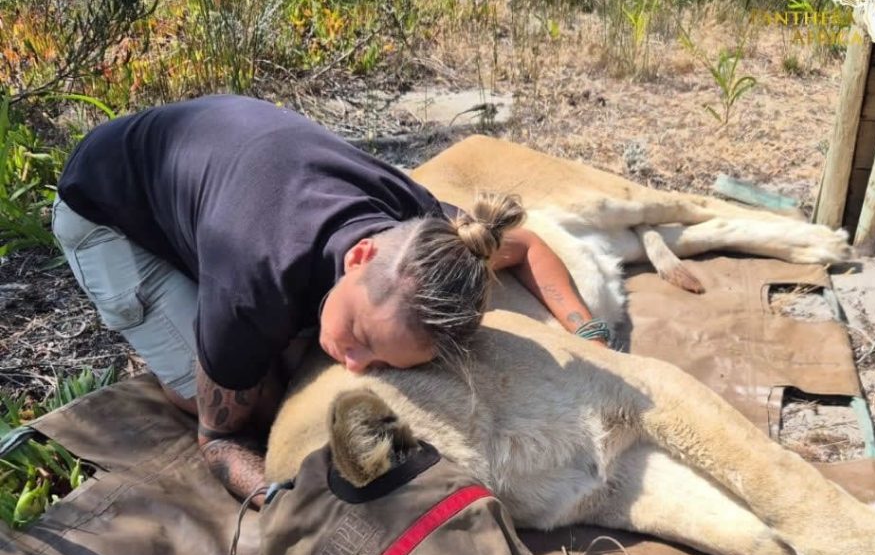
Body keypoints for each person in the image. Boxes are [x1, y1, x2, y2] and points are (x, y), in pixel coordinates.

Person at [52, 94, 610, 506]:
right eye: (363, 339)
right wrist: (291, 509)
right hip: (103, 209)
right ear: (361, 256)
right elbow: (218, 440)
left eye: (385, 362)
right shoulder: (254, 279)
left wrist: (586, 334)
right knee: (242, 401)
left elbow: (526, 245)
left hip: (226, 167)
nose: (353, 365)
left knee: (287, 358)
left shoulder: (426, 231)